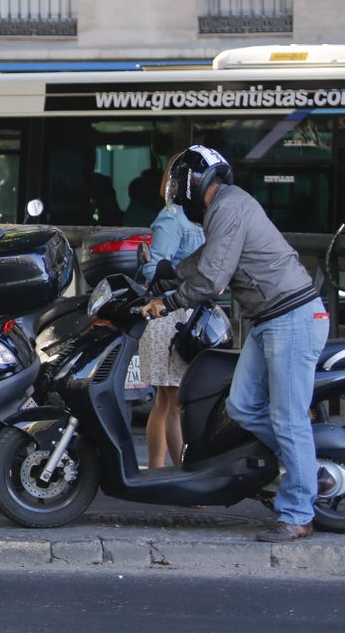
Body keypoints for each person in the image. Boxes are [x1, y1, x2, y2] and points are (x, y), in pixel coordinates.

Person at [142, 145, 328, 543]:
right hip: (269, 320)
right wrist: (170, 272)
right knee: (242, 407)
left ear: (191, 183)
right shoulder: (223, 209)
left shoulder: (229, 206)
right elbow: (207, 258)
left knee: (288, 418)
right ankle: (301, 467)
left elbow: (211, 279)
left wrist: (168, 302)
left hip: (292, 318)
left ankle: (297, 513)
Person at [137, 172, 210, 470]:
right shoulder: (175, 216)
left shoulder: (188, 215)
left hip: (180, 313)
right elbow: (155, 268)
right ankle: (181, 471)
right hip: (171, 315)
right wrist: (190, 273)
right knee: (175, 401)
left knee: (168, 401)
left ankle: (159, 470)